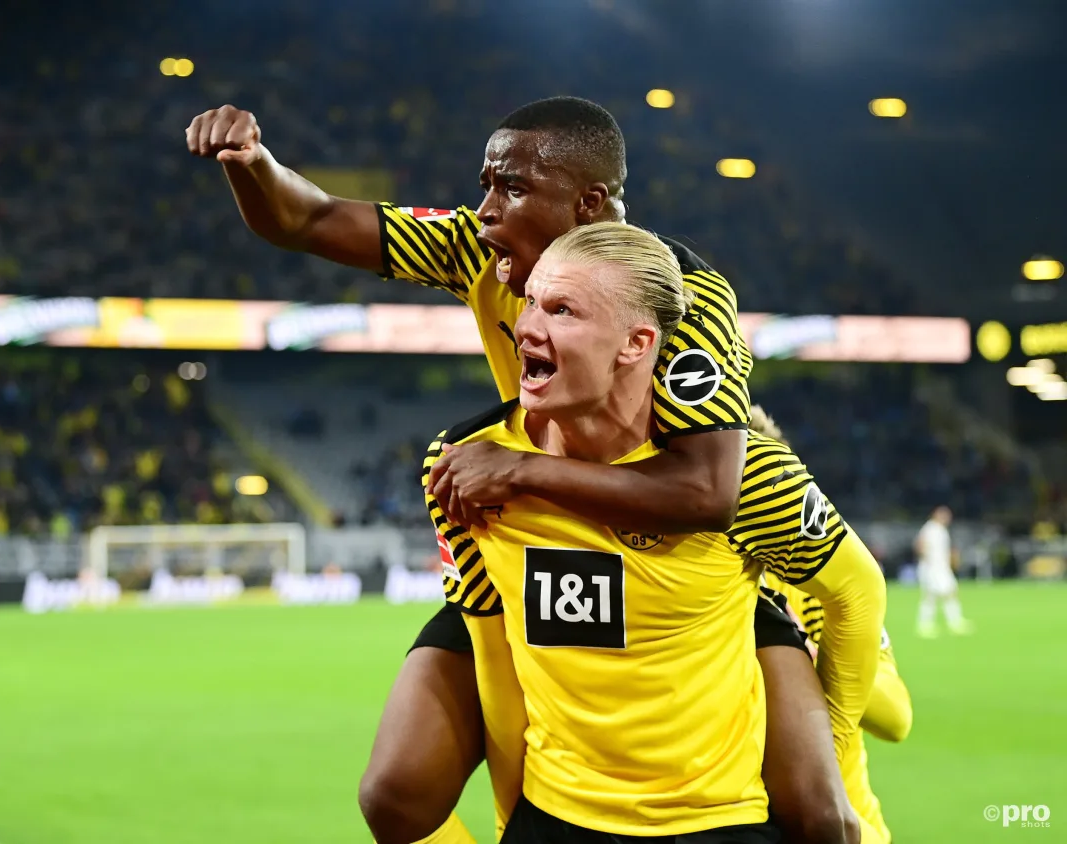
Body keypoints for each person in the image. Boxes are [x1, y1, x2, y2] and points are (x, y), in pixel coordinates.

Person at [187, 97, 882, 843]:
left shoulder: (683, 298)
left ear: (590, 206)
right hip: (534, 544)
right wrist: (254, 165)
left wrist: (518, 473)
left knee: (819, 816)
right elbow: (310, 219)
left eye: (511, 188)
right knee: (395, 792)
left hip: (679, 575)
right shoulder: (480, 250)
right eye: (487, 184)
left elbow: (707, 491)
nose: (484, 211)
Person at [428, 222, 779, 841]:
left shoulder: (742, 475)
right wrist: (514, 817)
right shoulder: (466, 463)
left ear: (636, 343)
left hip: (718, 818)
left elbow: (853, 590)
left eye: (562, 310)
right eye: (531, 300)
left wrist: (839, 749)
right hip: (558, 811)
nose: (528, 326)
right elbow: (493, 654)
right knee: (390, 794)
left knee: (824, 814)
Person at [752, 406, 913, 844]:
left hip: (850, 826)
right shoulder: (696, 588)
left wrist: (808, 655)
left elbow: (896, 717)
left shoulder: (826, 588)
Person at [914, 506, 972, 637]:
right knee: (934, 595)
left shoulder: (941, 530)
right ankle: (929, 625)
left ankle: (952, 622)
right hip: (933, 568)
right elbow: (920, 545)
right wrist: (928, 561)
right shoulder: (930, 528)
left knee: (944, 593)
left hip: (941, 568)